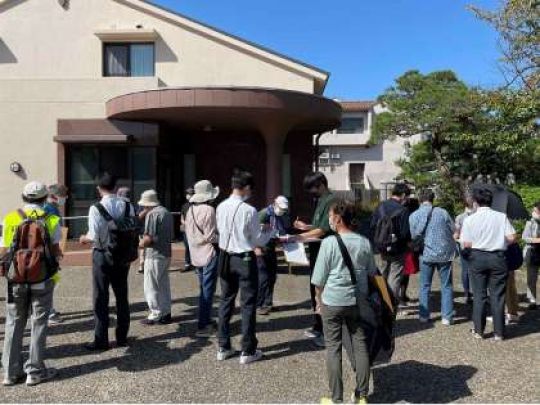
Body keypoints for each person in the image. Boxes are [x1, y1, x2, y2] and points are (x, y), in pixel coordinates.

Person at [312, 200, 377, 404]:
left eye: (331, 216)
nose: (329, 220)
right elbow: (372, 272)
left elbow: (319, 279)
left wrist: (318, 300)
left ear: (338, 219)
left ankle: (336, 399)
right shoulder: (364, 242)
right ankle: (361, 395)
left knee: (333, 348)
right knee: (360, 346)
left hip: (332, 300)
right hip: (357, 301)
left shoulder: (329, 243)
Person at [1, 181, 62, 386]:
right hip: (42, 278)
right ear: (45, 198)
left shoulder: (10, 218)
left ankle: (10, 373)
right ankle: (34, 372)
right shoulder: (52, 219)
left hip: (15, 278)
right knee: (39, 322)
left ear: (24, 197)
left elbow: (3, 251)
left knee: (14, 322)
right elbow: (55, 252)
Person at [79, 173, 135, 350]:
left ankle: (101, 340)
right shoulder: (127, 205)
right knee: (122, 296)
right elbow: (132, 227)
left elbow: (93, 236)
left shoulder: (96, 208)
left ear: (98, 188)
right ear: (116, 187)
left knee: (101, 297)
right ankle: (122, 337)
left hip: (102, 255)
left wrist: (83, 239)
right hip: (123, 255)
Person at [216, 170, 265, 365]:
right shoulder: (249, 210)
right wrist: (268, 234)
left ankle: (223, 347)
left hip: (224, 257)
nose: (250, 192)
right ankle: (247, 350)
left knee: (225, 301)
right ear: (245, 188)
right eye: (250, 188)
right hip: (244, 258)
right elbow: (256, 239)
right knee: (247, 304)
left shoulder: (220, 206)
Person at [461, 187, 517, 340]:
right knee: (497, 296)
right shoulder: (501, 217)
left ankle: (479, 330)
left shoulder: (469, 219)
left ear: (475, 202)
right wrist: (499, 240)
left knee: (479, 295)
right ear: (490, 201)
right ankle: (499, 333)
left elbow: (466, 243)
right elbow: (512, 237)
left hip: (477, 257)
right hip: (498, 258)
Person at [294, 172, 336, 348]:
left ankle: (327, 331)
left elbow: (324, 230)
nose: (311, 191)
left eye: (312, 187)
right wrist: (306, 227)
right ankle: (318, 325)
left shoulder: (331, 201)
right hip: (316, 251)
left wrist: (297, 237)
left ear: (321, 184)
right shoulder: (320, 200)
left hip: (324, 251)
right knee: (314, 288)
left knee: (322, 290)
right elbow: (318, 226)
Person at [409, 189, 456, 325]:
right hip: (444, 254)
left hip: (426, 254)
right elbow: (453, 229)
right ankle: (447, 317)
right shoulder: (443, 212)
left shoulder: (414, 216)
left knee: (424, 285)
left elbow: (414, 237)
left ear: (420, 199)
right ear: (433, 198)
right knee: (446, 285)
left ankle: (424, 316)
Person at [184, 180, 220, 337]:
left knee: (203, 289)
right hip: (209, 253)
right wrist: (224, 237)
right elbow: (211, 236)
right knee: (208, 290)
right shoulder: (209, 210)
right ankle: (203, 325)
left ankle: (206, 320)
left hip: (195, 254)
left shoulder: (190, 210)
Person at [370, 183, 411, 304]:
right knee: (395, 276)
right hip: (398, 249)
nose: (407, 200)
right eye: (407, 197)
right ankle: (390, 304)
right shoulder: (403, 210)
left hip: (380, 248)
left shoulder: (380, 206)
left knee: (382, 274)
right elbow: (405, 233)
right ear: (403, 195)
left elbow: (372, 225)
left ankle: (380, 302)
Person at [138, 190, 173, 325]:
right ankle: (166, 312)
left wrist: (140, 244)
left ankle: (155, 313)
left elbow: (149, 238)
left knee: (151, 286)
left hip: (154, 254)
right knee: (163, 285)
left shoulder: (152, 215)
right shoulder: (166, 212)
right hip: (166, 253)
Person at [256, 195, 291, 315]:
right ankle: (259, 304)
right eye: (281, 208)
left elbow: (279, 231)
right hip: (261, 248)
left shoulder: (279, 216)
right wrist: (257, 248)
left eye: (284, 209)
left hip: (271, 247)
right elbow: (255, 232)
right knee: (263, 278)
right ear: (275, 204)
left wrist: (283, 238)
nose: (282, 211)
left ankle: (268, 303)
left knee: (272, 277)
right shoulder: (264, 213)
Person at [43, 184, 69, 326]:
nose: (65, 198)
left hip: (48, 252)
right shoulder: (50, 210)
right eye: (63, 195)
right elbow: (53, 236)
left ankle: (49, 309)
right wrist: (57, 253)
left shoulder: (50, 208)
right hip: (50, 254)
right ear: (54, 196)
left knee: (51, 281)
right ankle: (49, 313)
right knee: (50, 282)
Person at [454, 195, 476, 304]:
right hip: (478, 246)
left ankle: (467, 294)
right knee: (477, 270)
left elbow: (456, 234)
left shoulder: (459, 217)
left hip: (464, 246)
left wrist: (457, 239)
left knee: (465, 270)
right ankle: (478, 293)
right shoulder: (479, 215)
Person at [401, 197, 420, 305]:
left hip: (404, 247)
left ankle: (402, 295)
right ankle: (401, 296)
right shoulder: (411, 216)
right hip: (408, 247)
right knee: (405, 273)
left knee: (403, 273)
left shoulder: (403, 215)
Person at [523, 201, 540, 310]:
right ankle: (532, 299)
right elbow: (525, 237)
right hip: (532, 250)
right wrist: (537, 240)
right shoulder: (530, 222)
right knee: (531, 277)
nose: (534, 212)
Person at [180, 188, 195, 272]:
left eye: (190, 194)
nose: (188, 195)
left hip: (194, 230)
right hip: (186, 230)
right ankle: (187, 264)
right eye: (187, 194)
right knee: (187, 247)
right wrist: (184, 222)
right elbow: (182, 217)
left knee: (194, 246)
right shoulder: (184, 206)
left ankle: (195, 264)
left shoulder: (196, 205)